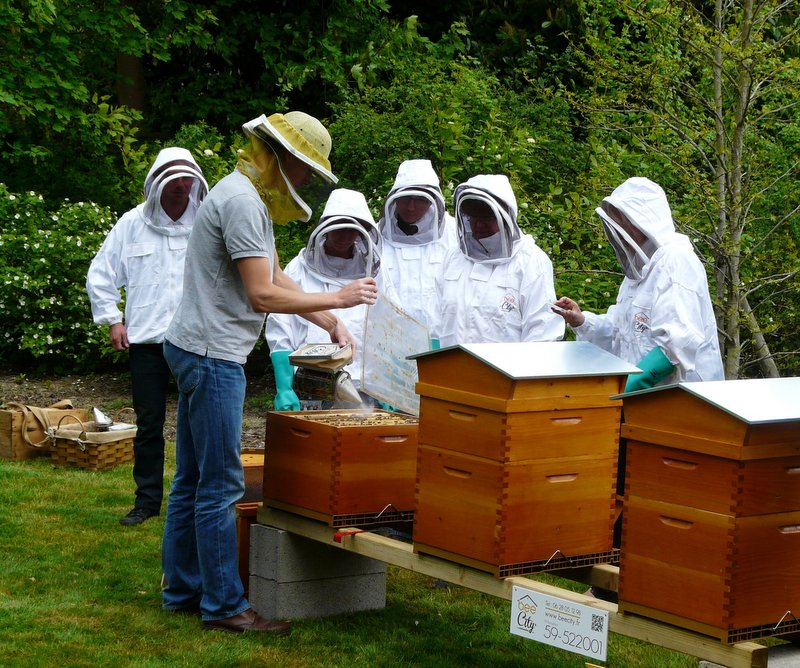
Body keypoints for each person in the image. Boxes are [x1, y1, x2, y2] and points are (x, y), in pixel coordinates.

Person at [160, 111, 377, 635]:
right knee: (219, 485)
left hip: (197, 348)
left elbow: (274, 274)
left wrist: (327, 319)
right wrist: (341, 295)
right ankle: (224, 607)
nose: (305, 180)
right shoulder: (239, 201)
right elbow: (260, 293)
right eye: (304, 169)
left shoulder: (246, 196)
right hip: (213, 356)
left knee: (191, 480)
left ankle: (183, 591)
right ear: (281, 157)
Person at [86, 147, 208, 527]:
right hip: (147, 343)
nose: (181, 187)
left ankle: (201, 500)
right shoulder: (130, 224)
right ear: (157, 182)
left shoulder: (207, 223)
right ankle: (147, 502)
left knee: (200, 423)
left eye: (187, 180)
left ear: (195, 182)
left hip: (195, 341)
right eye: (173, 180)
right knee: (150, 424)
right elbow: (101, 274)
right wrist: (112, 320)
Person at [553, 176, 724, 390]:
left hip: (684, 401)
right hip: (646, 403)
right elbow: (621, 332)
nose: (619, 231)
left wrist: (626, 388)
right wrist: (582, 321)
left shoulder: (676, 261)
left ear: (642, 219)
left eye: (623, 221)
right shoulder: (638, 271)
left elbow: (676, 345)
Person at [266, 187, 386, 410]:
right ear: (325, 228)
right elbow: (280, 327)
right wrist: (284, 387)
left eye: (352, 230)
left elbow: (388, 330)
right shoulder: (298, 269)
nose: (344, 236)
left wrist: (389, 388)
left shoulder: (377, 275)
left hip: (364, 387)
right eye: (338, 229)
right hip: (308, 385)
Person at [430, 174, 565, 346]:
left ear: (505, 216)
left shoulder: (531, 261)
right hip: (453, 370)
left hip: (507, 372)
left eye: (487, 218)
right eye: (473, 218)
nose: (478, 225)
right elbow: (435, 322)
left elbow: (543, 332)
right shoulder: (453, 258)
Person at [377, 159, 458, 333]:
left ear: (432, 201)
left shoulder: (455, 235)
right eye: (405, 198)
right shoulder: (374, 237)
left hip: (440, 342)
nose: (411, 207)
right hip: (387, 338)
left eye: (420, 200)